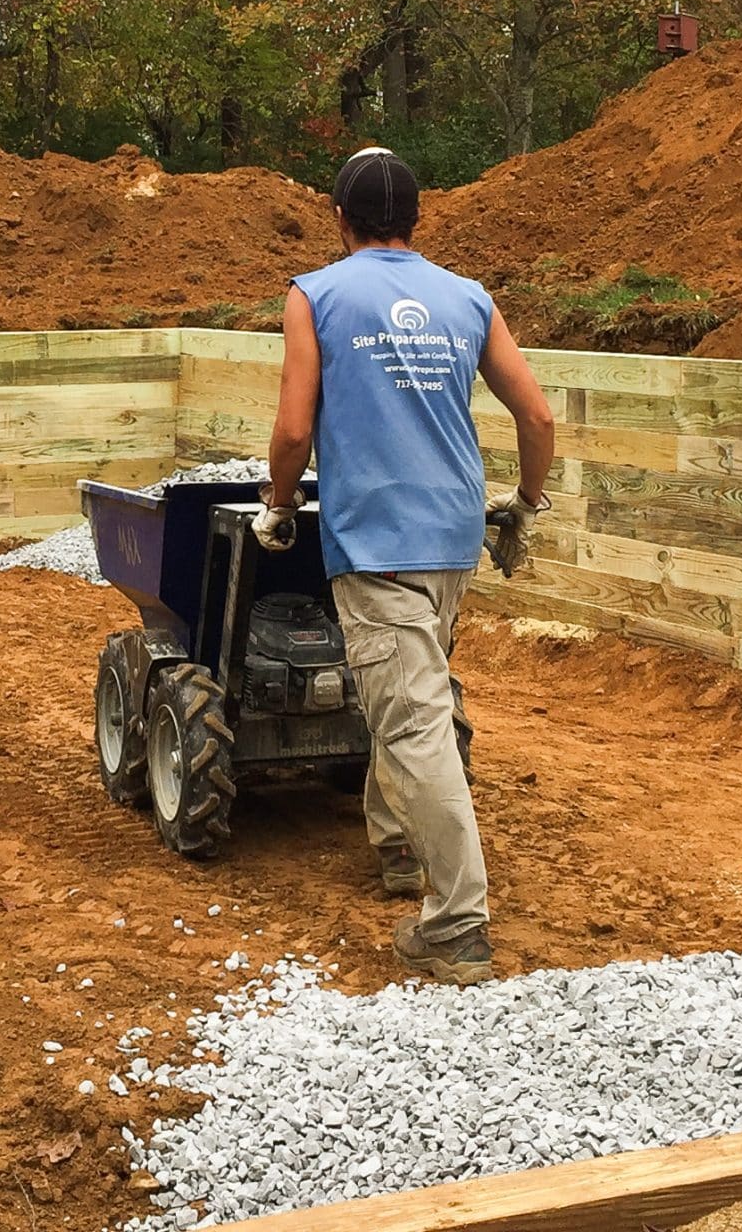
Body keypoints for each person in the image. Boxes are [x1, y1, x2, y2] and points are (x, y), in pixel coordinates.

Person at [253, 146, 556, 986]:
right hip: (454, 533)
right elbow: (535, 414)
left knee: (414, 721)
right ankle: (393, 845)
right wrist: (524, 507)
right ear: (417, 220)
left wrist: (279, 507)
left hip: (377, 538)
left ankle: (457, 924)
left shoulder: (314, 294)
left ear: (340, 219)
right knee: (413, 695)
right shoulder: (467, 297)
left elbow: (290, 432)